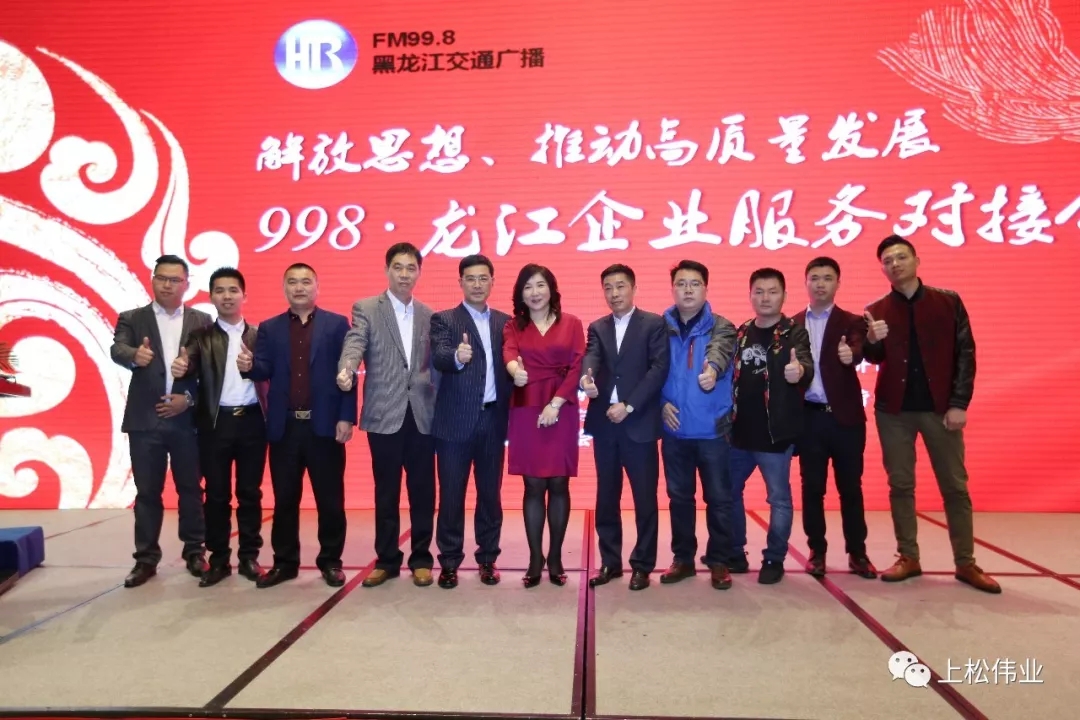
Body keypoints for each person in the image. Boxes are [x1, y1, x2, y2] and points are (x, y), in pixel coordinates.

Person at [863, 235, 1000, 593]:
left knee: (954, 486)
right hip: (894, 411)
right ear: (882, 269)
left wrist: (959, 403)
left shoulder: (948, 301)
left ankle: (965, 562)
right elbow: (874, 358)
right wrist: (872, 340)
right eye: (887, 260)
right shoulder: (876, 309)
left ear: (916, 260)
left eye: (901, 257)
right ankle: (908, 556)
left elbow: (966, 354)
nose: (895, 264)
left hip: (941, 409)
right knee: (900, 485)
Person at [240, 263, 356, 588]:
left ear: (317, 287)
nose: (299, 287)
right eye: (292, 282)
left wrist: (346, 416)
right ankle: (285, 563)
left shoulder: (336, 324)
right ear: (284, 288)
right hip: (285, 428)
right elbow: (263, 370)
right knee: (285, 501)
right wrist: (248, 366)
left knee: (330, 501)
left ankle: (331, 561)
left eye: (306, 281)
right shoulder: (270, 327)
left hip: (325, 427)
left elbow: (348, 372)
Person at [337, 243, 438, 588]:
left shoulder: (429, 315)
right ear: (387, 270)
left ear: (419, 272)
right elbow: (355, 343)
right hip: (385, 414)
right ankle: (387, 560)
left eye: (411, 268)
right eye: (398, 267)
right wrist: (347, 368)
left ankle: (422, 559)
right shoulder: (367, 308)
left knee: (423, 491)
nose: (404, 274)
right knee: (386, 492)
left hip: (422, 415)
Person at [110, 254, 211, 587]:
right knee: (147, 493)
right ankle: (145, 558)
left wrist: (189, 399)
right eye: (161, 278)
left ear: (186, 284)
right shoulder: (132, 318)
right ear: (153, 279)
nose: (167, 285)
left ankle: (195, 551)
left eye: (175, 280)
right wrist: (133, 356)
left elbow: (212, 369)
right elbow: (117, 349)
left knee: (191, 489)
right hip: (145, 421)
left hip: (186, 420)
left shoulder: (202, 321)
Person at [172, 267, 268, 587]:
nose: (227, 296)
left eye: (233, 290)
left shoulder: (260, 336)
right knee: (216, 495)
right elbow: (188, 365)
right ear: (212, 296)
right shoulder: (200, 337)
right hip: (215, 423)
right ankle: (219, 560)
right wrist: (182, 366)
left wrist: (254, 367)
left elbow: (270, 373)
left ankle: (249, 557)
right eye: (220, 290)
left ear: (244, 295)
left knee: (250, 493)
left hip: (253, 422)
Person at [581, 264, 669, 591]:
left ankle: (642, 565)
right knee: (606, 496)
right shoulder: (597, 327)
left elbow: (658, 370)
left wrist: (629, 405)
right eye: (608, 287)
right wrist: (586, 379)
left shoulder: (653, 324)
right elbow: (591, 358)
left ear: (633, 288)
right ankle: (610, 561)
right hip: (606, 424)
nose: (614, 293)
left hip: (639, 423)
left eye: (620, 286)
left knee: (644, 498)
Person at [429, 254, 512, 589]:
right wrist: (456, 357)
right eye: (471, 279)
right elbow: (438, 355)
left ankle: (488, 559)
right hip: (454, 423)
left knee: (490, 495)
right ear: (460, 282)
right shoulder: (445, 319)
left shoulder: (506, 323)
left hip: (493, 420)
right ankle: (449, 562)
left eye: (483, 278)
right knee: (451, 496)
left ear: (492, 281)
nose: (477, 284)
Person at [656, 260, 740, 591]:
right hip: (674, 430)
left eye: (694, 283)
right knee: (679, 499)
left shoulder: (722, 326)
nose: (687, 290)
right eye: (681, 283)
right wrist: (660, 404)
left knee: (719, 499)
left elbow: (720, 351)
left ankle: (719, 561)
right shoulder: (658, 327)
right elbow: (648, 372)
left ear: (706, 288)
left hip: (712, 431)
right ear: (672, 288)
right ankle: (683, 559)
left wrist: (713, 370)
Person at [728, 268, 813, 585]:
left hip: (775, 434)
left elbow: (805, 364)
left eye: (772, 291)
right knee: (727, 492)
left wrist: (798, 371)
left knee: (778, 499)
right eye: (759, 291)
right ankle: (735, 553)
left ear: (784, 296)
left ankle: (774, 558)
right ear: (750, 295)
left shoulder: (794, 333)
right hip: (739, 433)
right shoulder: (741, 332)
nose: (765, 298)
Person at [793, 257, 876, 579]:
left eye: (827, 278)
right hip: (809, 419)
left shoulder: (852, 322)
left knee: (850, 488)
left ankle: (858, 553)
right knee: (812, 488)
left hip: (845, 421)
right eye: (814, 277)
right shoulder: (792, 324)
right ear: (806, 282)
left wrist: (851, 354)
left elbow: (859, 349)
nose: (820, 284)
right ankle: (817, 551)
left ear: (838, 283)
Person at [502, 264, 585, 588]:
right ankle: (535, 558)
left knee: (560, 483)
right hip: (527, 407)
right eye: (527, 287)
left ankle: (556, 558)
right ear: (520, 294)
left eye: (540, 285)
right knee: (533, 485)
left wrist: (557, 402)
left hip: (561, 406)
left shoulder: (572, 323)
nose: (534, 293)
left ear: (551, 289)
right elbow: (509, 353)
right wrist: (514, 370)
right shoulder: (513, 325)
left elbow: (578, 365)